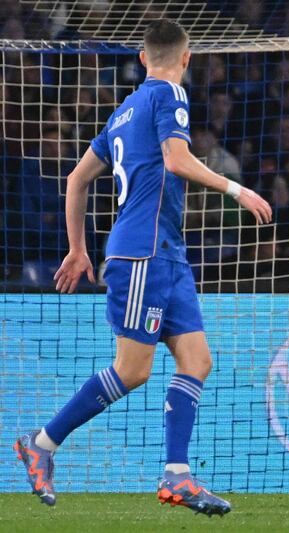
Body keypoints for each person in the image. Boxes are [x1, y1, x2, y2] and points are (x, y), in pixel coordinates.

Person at [13, 19, 272, 515]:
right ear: (187, 57)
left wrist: (77, 248)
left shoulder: (124, 111)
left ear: (140, 56)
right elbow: (177, 160)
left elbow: (75, 179)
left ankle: (177, 478)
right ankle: (41, 444)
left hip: (167, 253)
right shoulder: (169, 95)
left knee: (197, 360)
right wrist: (236, 188)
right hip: (142, 253)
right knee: (132, 370)